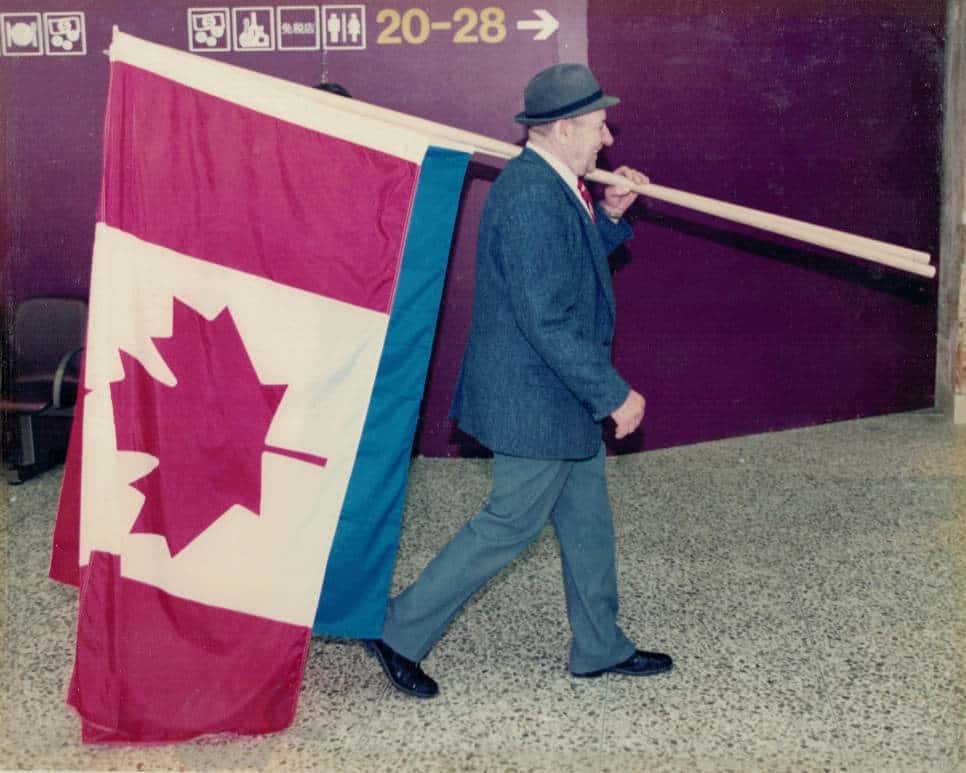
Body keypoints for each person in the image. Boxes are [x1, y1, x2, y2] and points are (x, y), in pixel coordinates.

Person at [366, 63, 673, 698]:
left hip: (555, 397)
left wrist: (612, 214)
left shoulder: (552, 182)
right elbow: (548, 316)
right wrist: (612, 392)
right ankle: (397, 630)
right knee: (507, 524)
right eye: (595, 126)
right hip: (535, 399)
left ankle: (599, 647)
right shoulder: (534, 195)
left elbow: (573, 269)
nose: (607, 138)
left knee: (588, 524)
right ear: (561, 129)